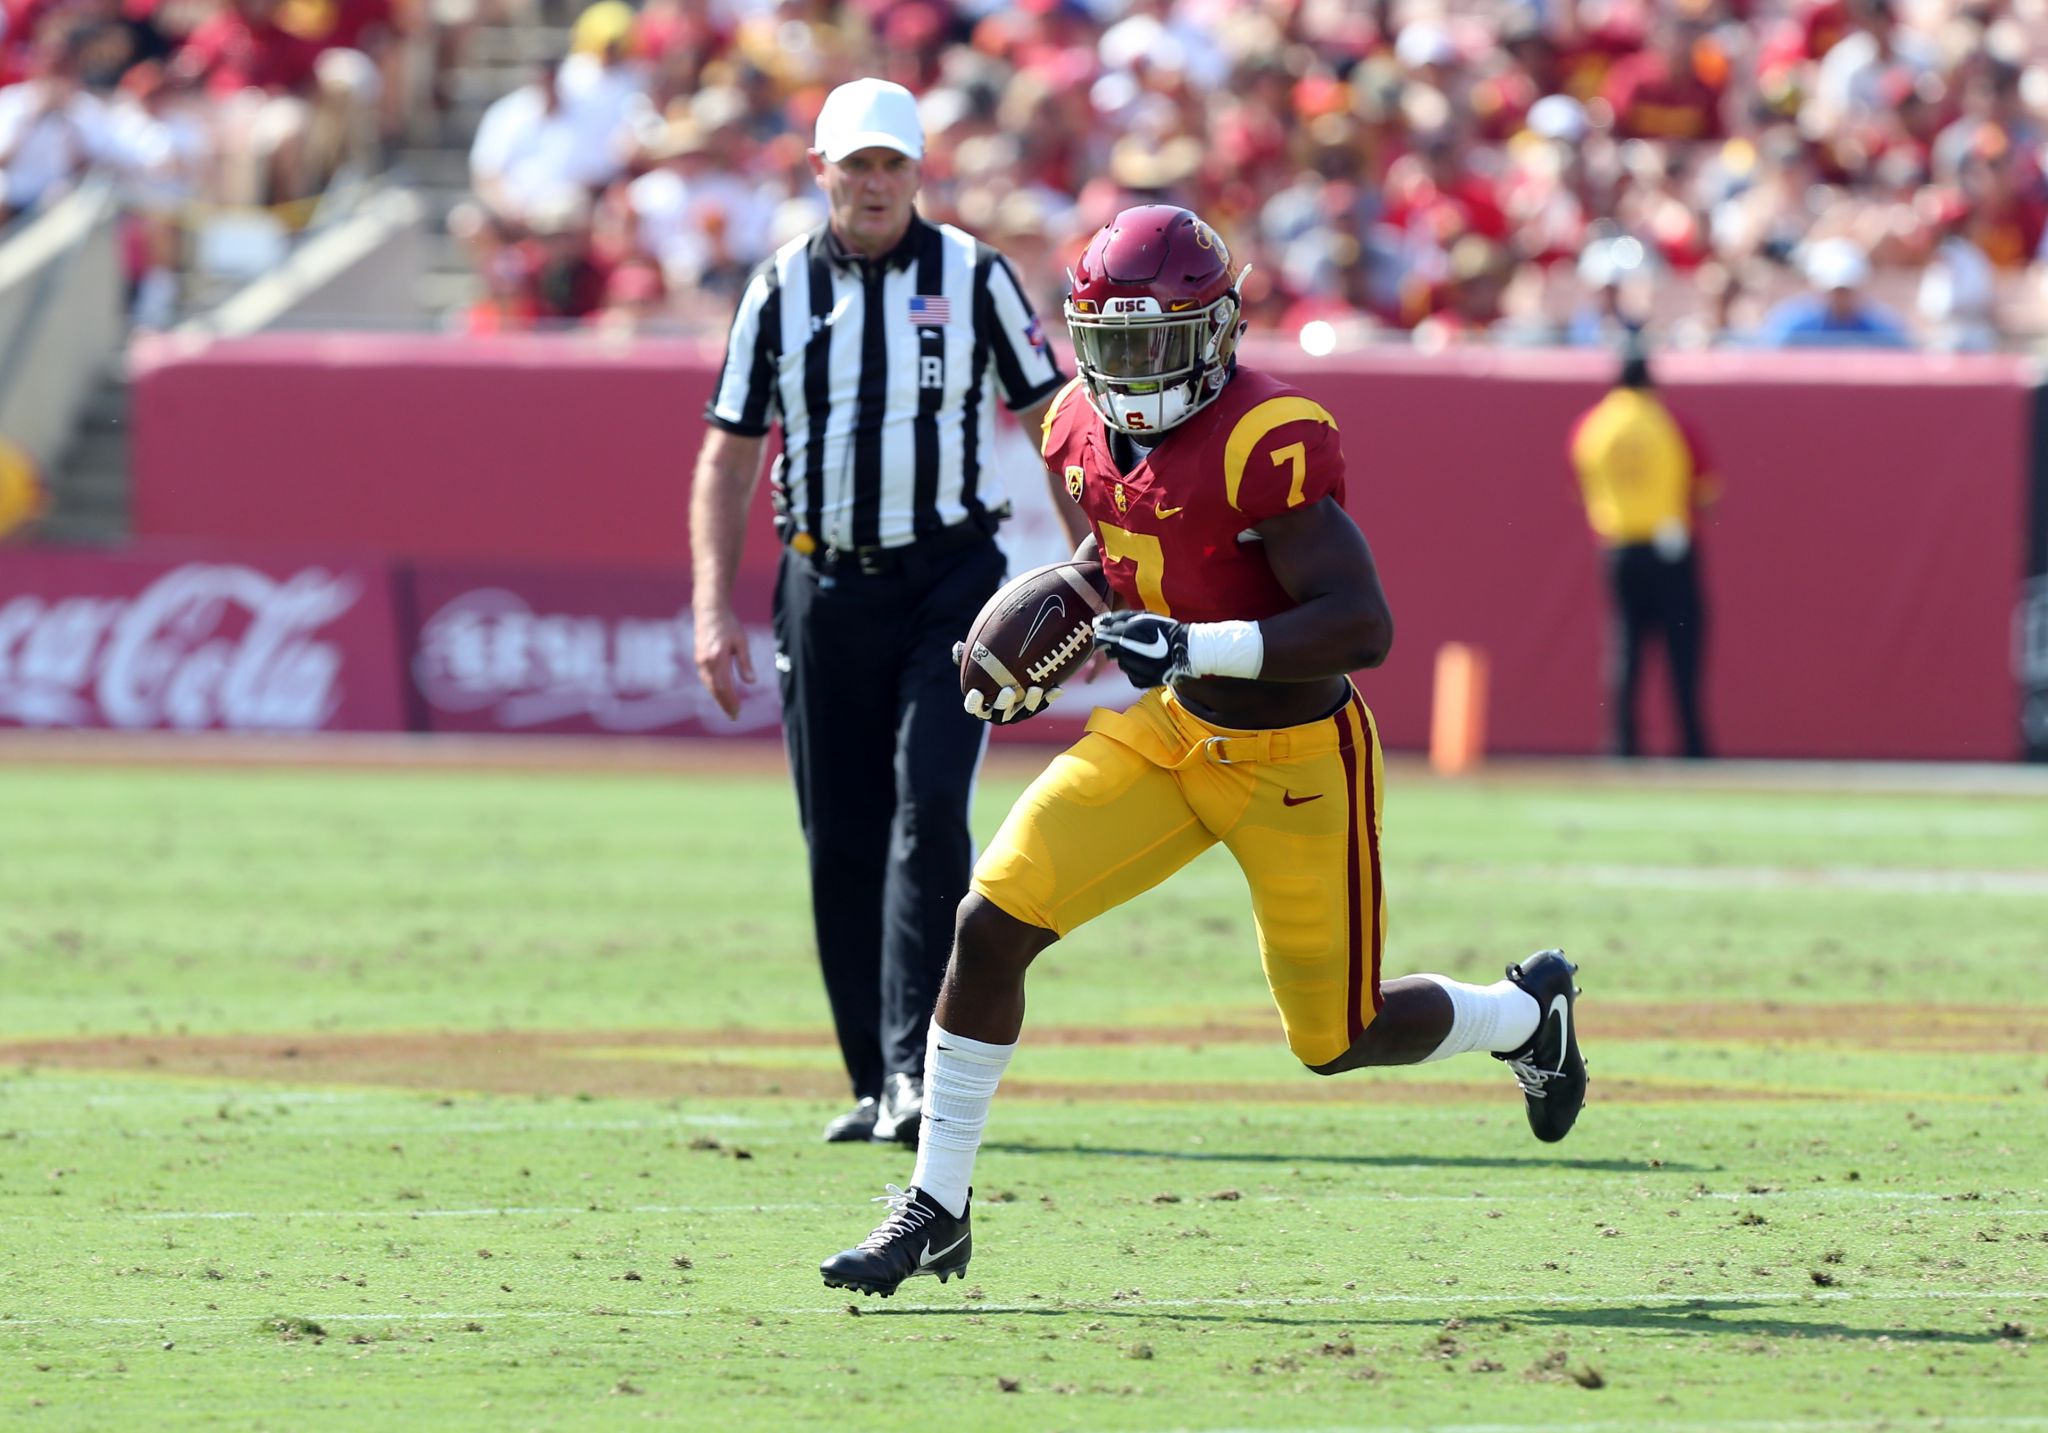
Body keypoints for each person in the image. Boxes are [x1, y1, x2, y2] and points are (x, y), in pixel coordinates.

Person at [819, 205, 1588, 1296]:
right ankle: (935, 1207)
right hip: (1171, 734)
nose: (1130, 369)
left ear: (1217, 331)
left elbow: (1360, 623)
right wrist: (1074, 614)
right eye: (1111, 342)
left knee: (1337, 1034)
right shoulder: (1073, 429)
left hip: (1293, 756)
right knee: (989, 923)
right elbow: (1106, 554)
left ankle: (1522, 1015)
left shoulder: (1262, 435)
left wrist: (1191, 638)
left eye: (1157, 341)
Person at [690, 78, 1067, 1148]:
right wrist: (711, 605)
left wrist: (1098, 570)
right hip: (820, 586)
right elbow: (728, 450)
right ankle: (873, 1073)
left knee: (929, 809)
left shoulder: (974, 275)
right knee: (839, 839)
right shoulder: (773, 288)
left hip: (947, 581)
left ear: (917, 172)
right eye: (852, 165)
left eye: (889, 165)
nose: (871, 183)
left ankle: (917, 1065)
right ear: (819, 171)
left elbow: (1052, 423)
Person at [1568, 339, 1718, 759]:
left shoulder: (1592, 427)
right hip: (1670, 548)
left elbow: (1582, 487)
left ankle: (1621, 743)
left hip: (1617, 547)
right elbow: (1706, 491)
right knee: (1683, 648)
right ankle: (1691, 745)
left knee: (1626, 645)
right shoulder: (1672, 423)